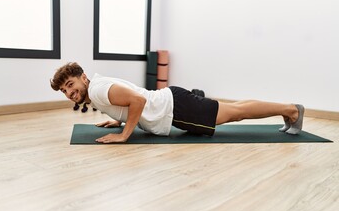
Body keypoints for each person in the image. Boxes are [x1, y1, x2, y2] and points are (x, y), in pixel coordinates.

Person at [50, 62, 305, 144]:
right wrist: (118, 118)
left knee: (235, 113)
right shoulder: (96, 87)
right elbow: (129, 98)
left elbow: (137, 99)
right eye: (64, 90)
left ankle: (291, 110)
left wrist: (123, 135)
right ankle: (288, 110)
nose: (69, 92)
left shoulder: (98, 90)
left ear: (82, 77)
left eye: (70, 85)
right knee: (234, 109)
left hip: (175, 109)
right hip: (173, 102)